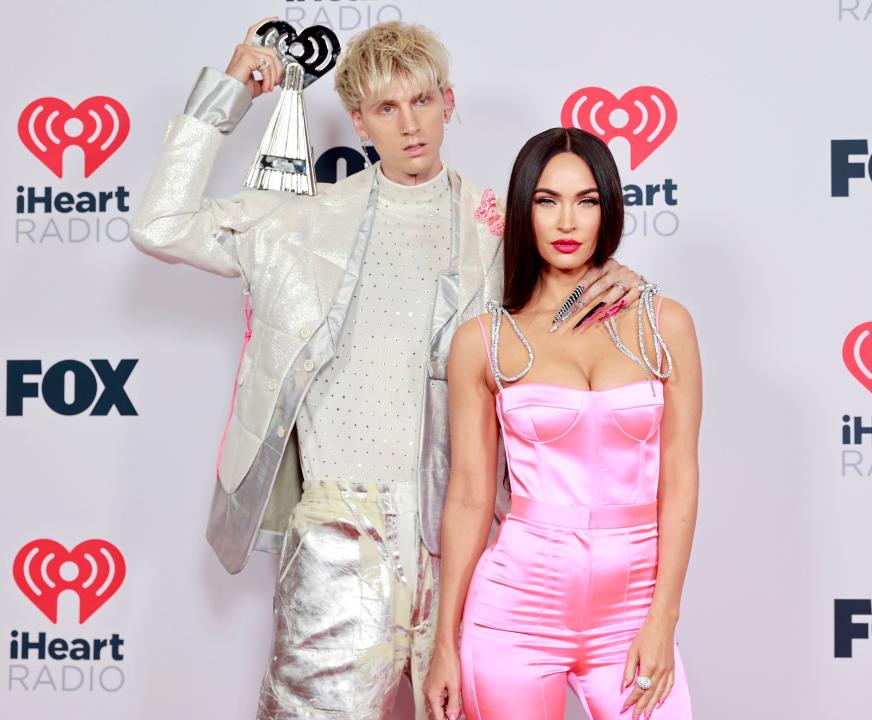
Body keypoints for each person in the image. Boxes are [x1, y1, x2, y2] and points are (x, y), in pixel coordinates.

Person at [130, 19, 649, 720]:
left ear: (449, 101)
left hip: (472, 545)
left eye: (423, 101)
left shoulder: (502, 232)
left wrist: (613, 276)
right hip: (340, 540)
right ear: (359, 121)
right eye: (386, 108)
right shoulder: (298, 223)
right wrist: (227, 95)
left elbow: (573, 296)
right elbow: (160, 225)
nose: (410, 125)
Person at [424, 128, 701, 720]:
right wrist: (444, 646)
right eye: (547, 201)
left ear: (609, 207)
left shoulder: (665, 325)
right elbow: (471, 498)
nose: (567, 221)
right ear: (524, 210)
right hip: (513, 614)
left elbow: (679, 480)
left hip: (632, 614)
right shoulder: (485, 342)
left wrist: (664, 617)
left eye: (587, 200)